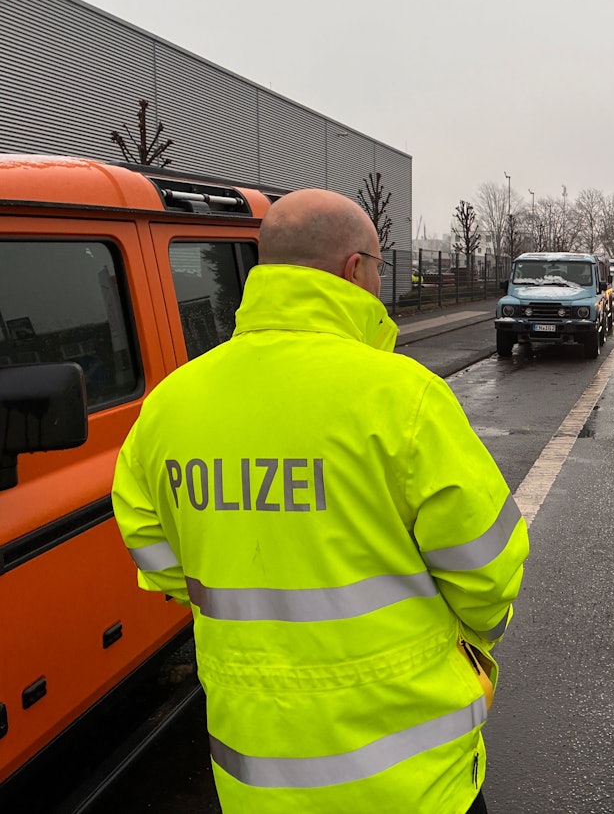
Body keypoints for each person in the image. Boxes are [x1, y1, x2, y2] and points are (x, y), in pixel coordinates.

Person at [112, 188, 528, 814]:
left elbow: (157, 556)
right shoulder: (403, 399)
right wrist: (471, 639)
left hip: (256, 779)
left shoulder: (170, 406)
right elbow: (486, 567)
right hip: (412, 783)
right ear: (354, 268)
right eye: (380, 267)